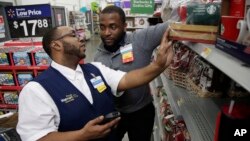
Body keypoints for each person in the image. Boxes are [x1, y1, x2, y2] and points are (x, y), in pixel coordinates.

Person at [16, 26, 173, 141]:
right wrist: (81, 135)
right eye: (73, 35)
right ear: (56, 45)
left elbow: (127, 79)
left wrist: (157, 66)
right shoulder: (36, 90)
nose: (81, 38)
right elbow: (37, 138)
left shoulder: (95, 69)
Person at [94, 6, 170, 141]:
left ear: (124, 26)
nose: (106, 33)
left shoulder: (140, 40)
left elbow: (172, 26)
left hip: (141, 112)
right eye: (102, 27)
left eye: (113, 27)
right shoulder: (97, 58)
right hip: (113, 114)